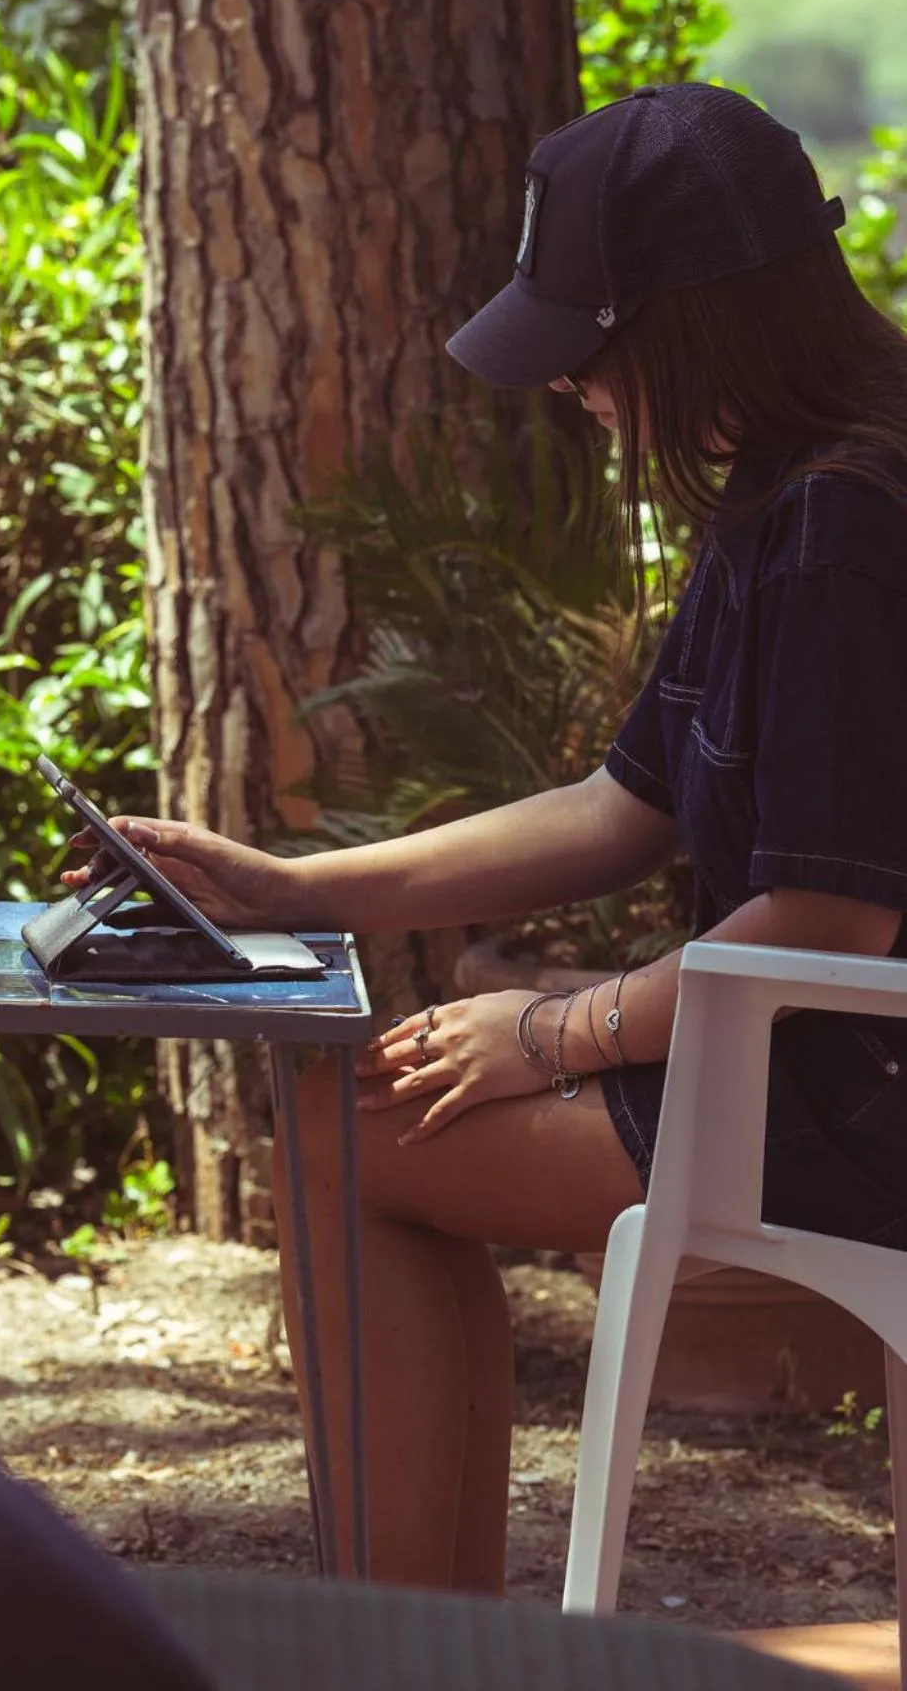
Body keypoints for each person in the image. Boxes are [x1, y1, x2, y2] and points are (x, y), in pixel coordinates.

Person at [64, 82, 907, 1595]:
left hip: (854, 1090)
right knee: (353, 1128)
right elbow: (619, 806)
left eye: (584, 350)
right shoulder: (790, 495)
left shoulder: (847, 523)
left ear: (690, 321)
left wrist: (554, 1031)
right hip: (804, 1059)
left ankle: (408, 1646)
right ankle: (422, 1635)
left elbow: (831, 927)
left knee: (343, 1144)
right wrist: (287, 882)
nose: (569, 388)